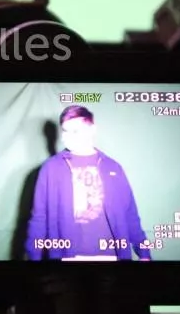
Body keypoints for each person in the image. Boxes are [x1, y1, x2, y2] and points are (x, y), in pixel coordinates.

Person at [24, 105, 152, 261]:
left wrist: (144, 253)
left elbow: (130, 215)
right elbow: (38, 219)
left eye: (75, 131)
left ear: (92, 130)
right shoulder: (50, 169)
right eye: (65, 131)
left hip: (111, 256)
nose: (66, 137)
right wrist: (33, 257)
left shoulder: (113, 168)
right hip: (67, 257)